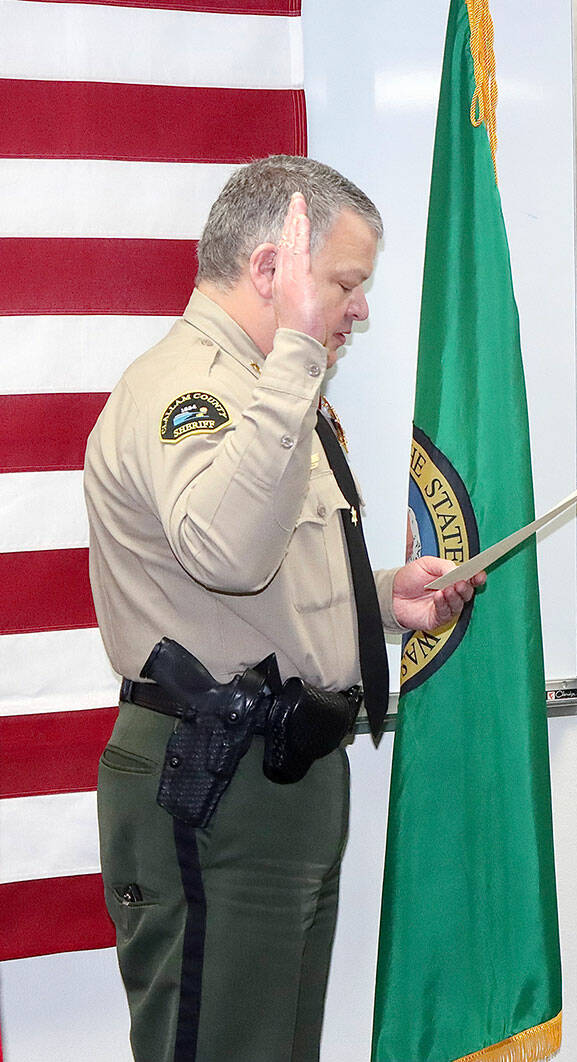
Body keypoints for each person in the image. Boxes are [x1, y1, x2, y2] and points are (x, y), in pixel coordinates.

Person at [84, 155, 484, 1061]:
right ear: (272, 270)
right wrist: (300, 355)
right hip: (211, 774)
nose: (359, 309)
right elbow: (227, 552)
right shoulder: (190, 392)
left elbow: (266, 582)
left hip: (278, 774)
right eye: (344, 282)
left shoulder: (267, 390)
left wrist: (385, 600)